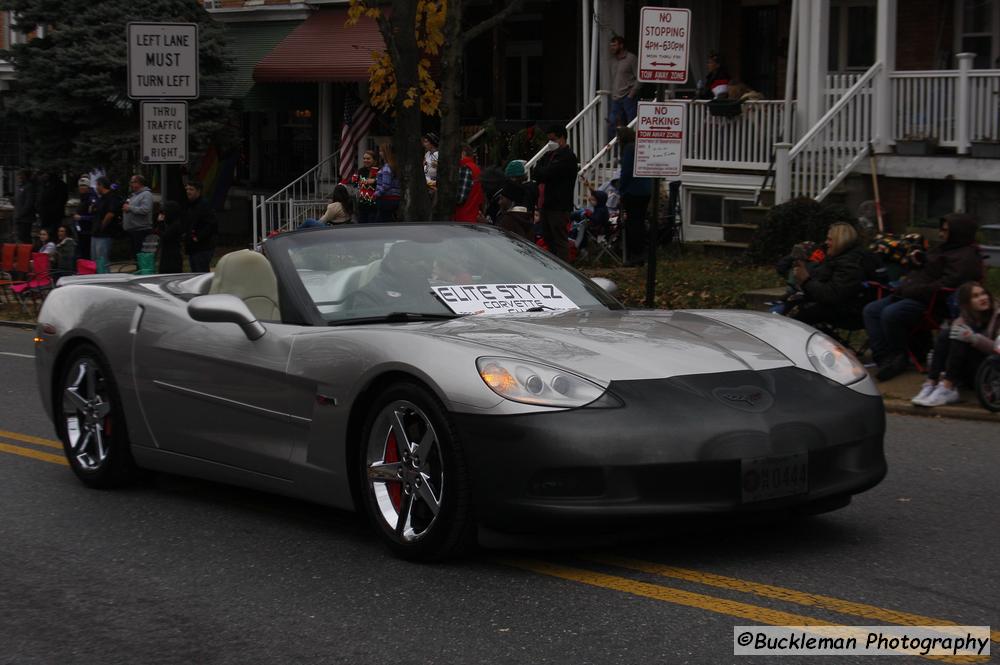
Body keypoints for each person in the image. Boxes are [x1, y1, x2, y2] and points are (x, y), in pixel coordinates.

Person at [863, 213, 983, 381]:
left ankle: (899, 356)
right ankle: (884, 357)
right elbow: (931, 266)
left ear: (958, 232)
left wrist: (915, 288)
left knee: (890, 313)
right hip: (910, 293)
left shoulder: (966, 258)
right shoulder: (946, 248)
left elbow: (947, 284)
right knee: (871, 310)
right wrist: (919, 259)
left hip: (931, 303)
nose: (941, 234)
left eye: (945, 230)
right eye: (941, 229)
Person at [911, 282, 1000, 407]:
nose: (982, 298)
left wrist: (973, 338)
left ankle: (947, 386)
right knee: (947, 334)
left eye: (983, 294)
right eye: (975, 296)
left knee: (962, 336)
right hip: (967, 372)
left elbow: (997, 349)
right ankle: (931, 383)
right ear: (967, 303)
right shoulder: (964, 317)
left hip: (991, 370)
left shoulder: (997, 315)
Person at [788, 222, 868, 327]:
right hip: (835, 304)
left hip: (849, 311)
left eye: (830, 239)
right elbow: (820, 277)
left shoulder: (850, 263)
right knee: (788, 304)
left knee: (796, 316)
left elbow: (833, 295)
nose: (826, 243)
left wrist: (806, 280)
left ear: (841, 241)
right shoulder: (837, 257)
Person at [533, 124, 579, 260]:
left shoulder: (568, 157)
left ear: (562, 138)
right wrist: (543, 171)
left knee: (559, 239)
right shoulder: (549, 155)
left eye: (553, 140)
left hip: (559, 205)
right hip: (546, 204)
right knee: (548, 238)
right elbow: (537, 171)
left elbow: (548, 173)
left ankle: (564, 267)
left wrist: (543, 171)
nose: (550, 143)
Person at [616, 126, 652, 265]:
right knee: (640, 222)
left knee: (633, 224)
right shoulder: (639, 147)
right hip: (645, 190)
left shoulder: (628, 149)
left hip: (633, 191)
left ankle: (636, 255)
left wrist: (621, 190)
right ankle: (641, 253)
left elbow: (626, 172)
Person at [608, 35, 640, 140]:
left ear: (621, 46)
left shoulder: (631, 58)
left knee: (631, 124)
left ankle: (632, 147)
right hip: (616, 99)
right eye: (611, 45)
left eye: (614, 45)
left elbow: (640, 78)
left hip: (628, 97)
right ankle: (616, 150)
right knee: (613, 124)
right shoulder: (613, 60)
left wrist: (632, 94)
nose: (612, 48)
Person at [182, 180, 217, 273]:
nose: (188, 191)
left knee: (200, 273)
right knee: (194, 273)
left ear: (198, 191)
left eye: (191, 189)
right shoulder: (190, 205)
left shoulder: (204, 205)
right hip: (193, 247)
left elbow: (211, 224)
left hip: (203, 247)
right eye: (187, 189)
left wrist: (198, 237)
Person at [90, 176, 121, 269]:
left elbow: (110, 214)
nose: (96, 188)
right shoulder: (101, 198)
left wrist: (102, 226)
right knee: (95, 260)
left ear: (101, 185)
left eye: (97, 185)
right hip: (95, 233)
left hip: (104, 234)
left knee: (102, 260)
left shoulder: (111, 197)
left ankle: (105, 279)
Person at [122, 174, 154, 259]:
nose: (131, 184)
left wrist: (129, 208)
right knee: (136, 257)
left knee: (142, 257)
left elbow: (145, 209)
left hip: (141, 231)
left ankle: (143, 271)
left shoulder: (146, 194)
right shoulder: (134, 195)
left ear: (139, 183)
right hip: (133, 231)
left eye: (132, 182)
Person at [344, 149, 380, 224]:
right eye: (364, 158)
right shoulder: (361, 171)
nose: (365, 160)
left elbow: (384, 184)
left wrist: (375, 180)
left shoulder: (379, 171)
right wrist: (354, 180)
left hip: (375, 205)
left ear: (374, 160)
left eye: (368, 158)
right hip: (362, 205)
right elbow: (354, 183)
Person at [455, 144, 485, 223]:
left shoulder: (465, 168)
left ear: (463, 153)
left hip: (462, 217)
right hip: (473, 215)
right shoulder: (476, 168)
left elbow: (460, 198)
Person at [375, 142, 401, 223]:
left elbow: (386, 185)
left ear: (386, 153)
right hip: (395, 198)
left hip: (386, 199)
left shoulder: (386, 167)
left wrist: (376, 194)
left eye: (381, 151)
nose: (380, 153)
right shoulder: (395, 166)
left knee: (382, 222)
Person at [72, 176, 97, 260]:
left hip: (88, 231)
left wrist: (81, 218)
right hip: (81, 231)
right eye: (80, 186)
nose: (81, 188)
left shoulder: (91, 199)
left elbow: (95, 216)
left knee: (87, 254)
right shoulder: (83, 198)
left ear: (88, 187)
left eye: (84, 186)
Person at [156, 200, 184, 273]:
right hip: (167, 255)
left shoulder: (176, 225)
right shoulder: (171, 223)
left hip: (172, 257)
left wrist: (161, 223)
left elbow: (165, 236)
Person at [13, 170, 36, 244]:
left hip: (26, 218)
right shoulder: (18, 186)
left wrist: (20, 215)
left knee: (25, 237)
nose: (19, 177)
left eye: (21, 175)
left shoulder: (29, 187)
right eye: (18, 175)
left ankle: (27, 252)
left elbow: (28, 204)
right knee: (18, 237)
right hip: (18, 217)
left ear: (26, 176)